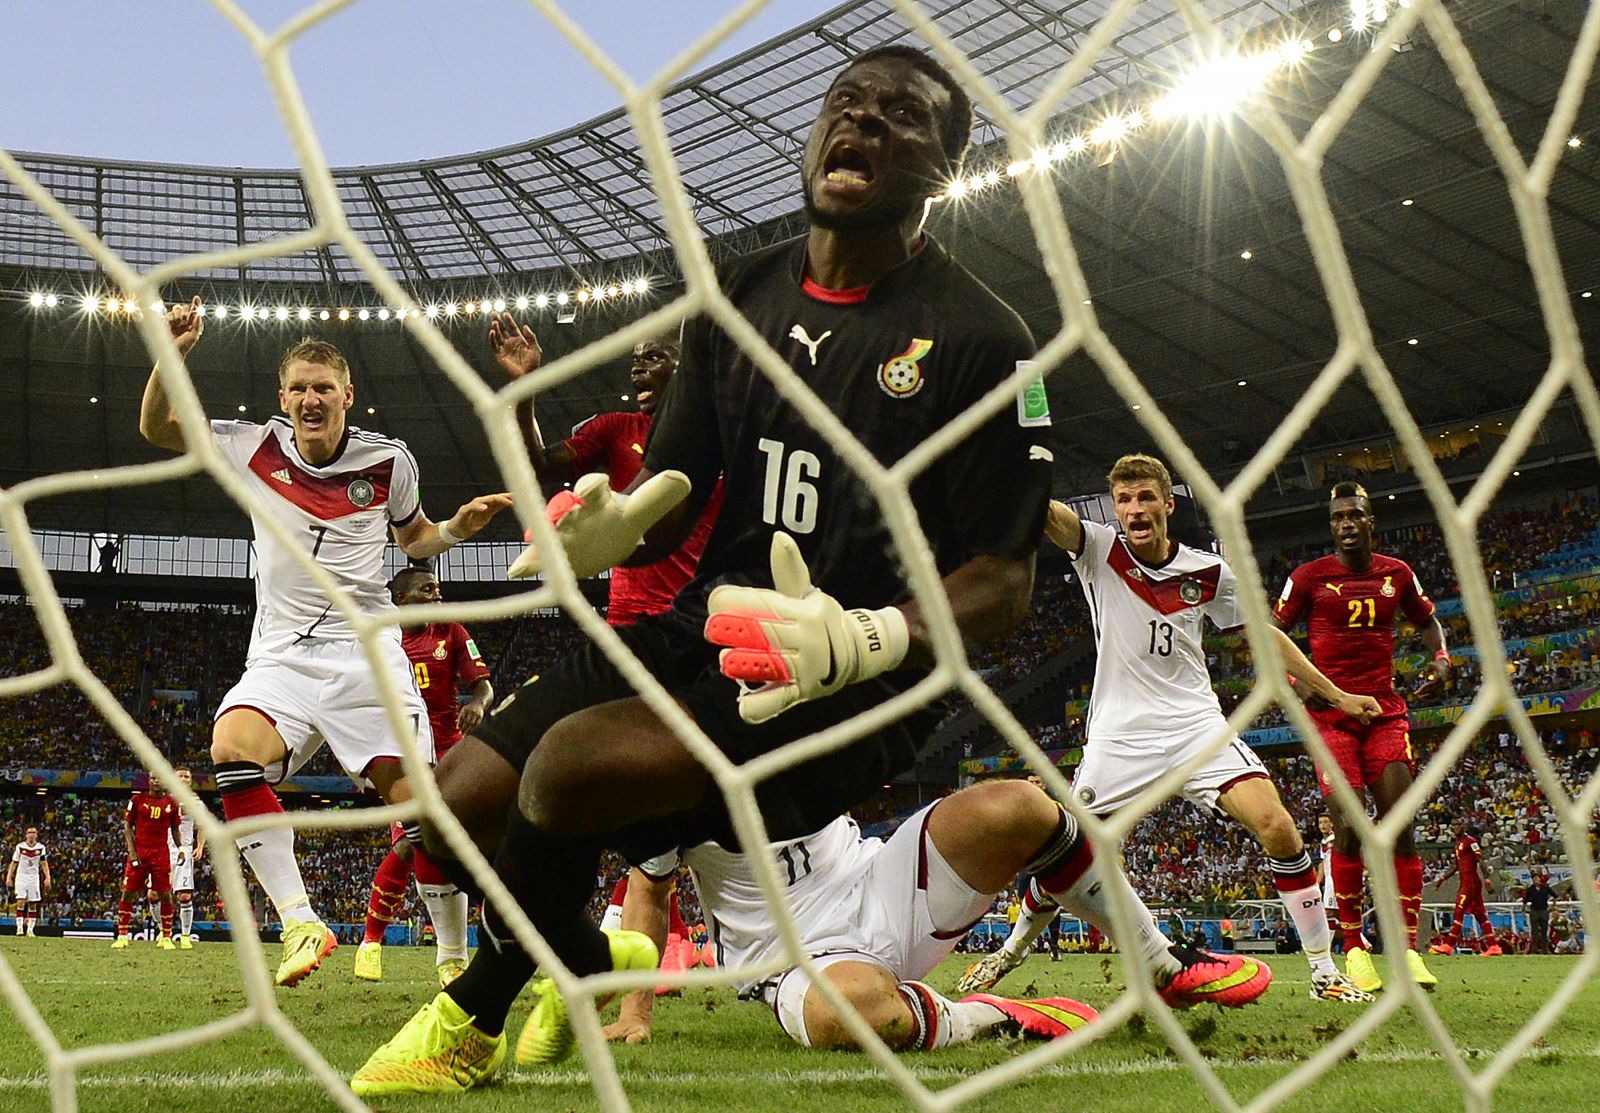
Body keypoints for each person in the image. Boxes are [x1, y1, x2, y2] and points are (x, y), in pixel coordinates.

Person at [353, 44, 1057, 1096]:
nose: (860, 124)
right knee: (453, 806)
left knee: (569, 769)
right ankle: (587, 965)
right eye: (846, 104)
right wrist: (612, 528)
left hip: (851, 690)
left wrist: (872, 637)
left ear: (945, 164)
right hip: (709, 630)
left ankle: (474, 1014)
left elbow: (1005, 582)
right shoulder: (739, 297)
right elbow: (670, 488)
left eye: (899, 117)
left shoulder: (980, 341)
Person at [140, 303, 511, 987]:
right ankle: (301, 920)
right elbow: (157, 426)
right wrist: (172, 351)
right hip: (281, 654)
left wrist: (456, 528)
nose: (311, 398)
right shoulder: (254, 446)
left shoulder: (390, 460)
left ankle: (454, 955)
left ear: (347, 396)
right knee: (231, 748)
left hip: (365, 654)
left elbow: (414, 539)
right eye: (299, 388)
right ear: (284, 399)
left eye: (323, 387)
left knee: (423, 815)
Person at [986, 454, 1384, 1005]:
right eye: (1124, 500)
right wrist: (1019, 462)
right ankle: (1011, 950)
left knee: (1277, 825)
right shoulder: (1099, 551)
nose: (1134, 509)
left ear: (1167, 504)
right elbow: (1050, 516)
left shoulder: (1209, 572)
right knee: (1068, 853)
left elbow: (1265, 637)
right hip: (1119, 736)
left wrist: (1335, 694)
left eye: (1145, 497)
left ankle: (1323, 970)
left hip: (1196, 725)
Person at [486, 321, 723, 1035]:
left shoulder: (722, 434)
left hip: (706, 637)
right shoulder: (616, 431)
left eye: (659, 355)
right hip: (625, 642)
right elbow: (538, 467)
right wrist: (523, 391)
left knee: (672, 832)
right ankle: (628, 1000)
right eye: (637, 358)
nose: (642, 365)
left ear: (689, 370)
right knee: (639, 838)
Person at [1272, 480, 1450, 994]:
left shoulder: (1397, 574)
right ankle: (1354, 948)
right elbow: (1269, 635)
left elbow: (1429, 622)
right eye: (1338, 519)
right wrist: (1296, 685)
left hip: (1384, 712)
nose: (1346, 524)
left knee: (1399, 822)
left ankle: (1409, 950)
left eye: (1354, 516)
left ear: (1372, 521)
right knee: (1349, 825)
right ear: (1332, 527)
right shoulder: (1308, 578)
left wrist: (1440, 659)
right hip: (1330, 718)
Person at [356, 565, 494, 987]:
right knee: (408, 847)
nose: (437, 594)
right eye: (426, 589)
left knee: (458, 844)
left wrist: (478, 704)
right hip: (404, 756)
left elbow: (483, 686)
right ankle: (371, 941)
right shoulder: (380, 638)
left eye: (438, 588)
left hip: (452, 752)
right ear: (400, 598)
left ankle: (454, 955)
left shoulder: (450, 630)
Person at [115, 779, 181, 950]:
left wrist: (181, 848)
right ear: (148, 780)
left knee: (165, 894)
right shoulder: (137, 800)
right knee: (128, 892)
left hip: (161, 853)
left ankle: (166, 937)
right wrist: (132, 852)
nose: (156, 781)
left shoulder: (171, 803)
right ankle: (122, 936)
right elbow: (128, 826)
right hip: (140, 851)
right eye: (153, 778)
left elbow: (175, 829)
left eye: (159, 777)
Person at [1432, 825, 1499, 955]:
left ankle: (1448, 945)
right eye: (1454, 827)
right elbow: (1455, 866)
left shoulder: (1471, 842)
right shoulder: (1458, 844)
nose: (1455, 829)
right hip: (1465, 882)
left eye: (1458, 826)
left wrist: (1487, 879)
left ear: (1463, 827)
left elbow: (1480, 860)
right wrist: (1442, 878)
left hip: (1471, 883)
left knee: (1459, 910)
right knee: (1480, 914)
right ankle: (1494, 946)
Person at [167, 768, 206, 948]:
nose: (183, 779)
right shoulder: (164, 800)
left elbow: (203, 825)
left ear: (190, 781)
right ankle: (163, 934)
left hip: (184, 852)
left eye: (186, 776)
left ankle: (184, 936)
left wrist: (200, 846)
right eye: (179, 776)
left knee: (184, 896)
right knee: (155, 896)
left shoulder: (196, 803)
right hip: (164, 851)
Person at [8, 826, 50, 937]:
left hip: (34, 878)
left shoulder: (41, 848)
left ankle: (30, 930)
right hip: (21, 877)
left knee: (33, 904)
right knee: (20, 901)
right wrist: (9, 877)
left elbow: (43, 863)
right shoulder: (20, 847)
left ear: (36, 835)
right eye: (29, 832)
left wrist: (47, 877)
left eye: (33, 832)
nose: (31, 834)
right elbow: (14, 863)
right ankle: (20, 928)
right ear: (26, 835)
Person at [1521, 870, 1557, 954]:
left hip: (1544, 911)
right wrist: (1523, 909)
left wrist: (1553, 906)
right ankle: (1534, 949)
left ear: (1540, 879)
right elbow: (1525, 900)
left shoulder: (1545, 888)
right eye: (1534, 879)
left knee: (1544, 931)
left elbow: (1555, 895)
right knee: (1534, 932)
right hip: (1534, 911)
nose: (1536, 880)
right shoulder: (1530, 889)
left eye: (1537, 878)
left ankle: (1545, 949)